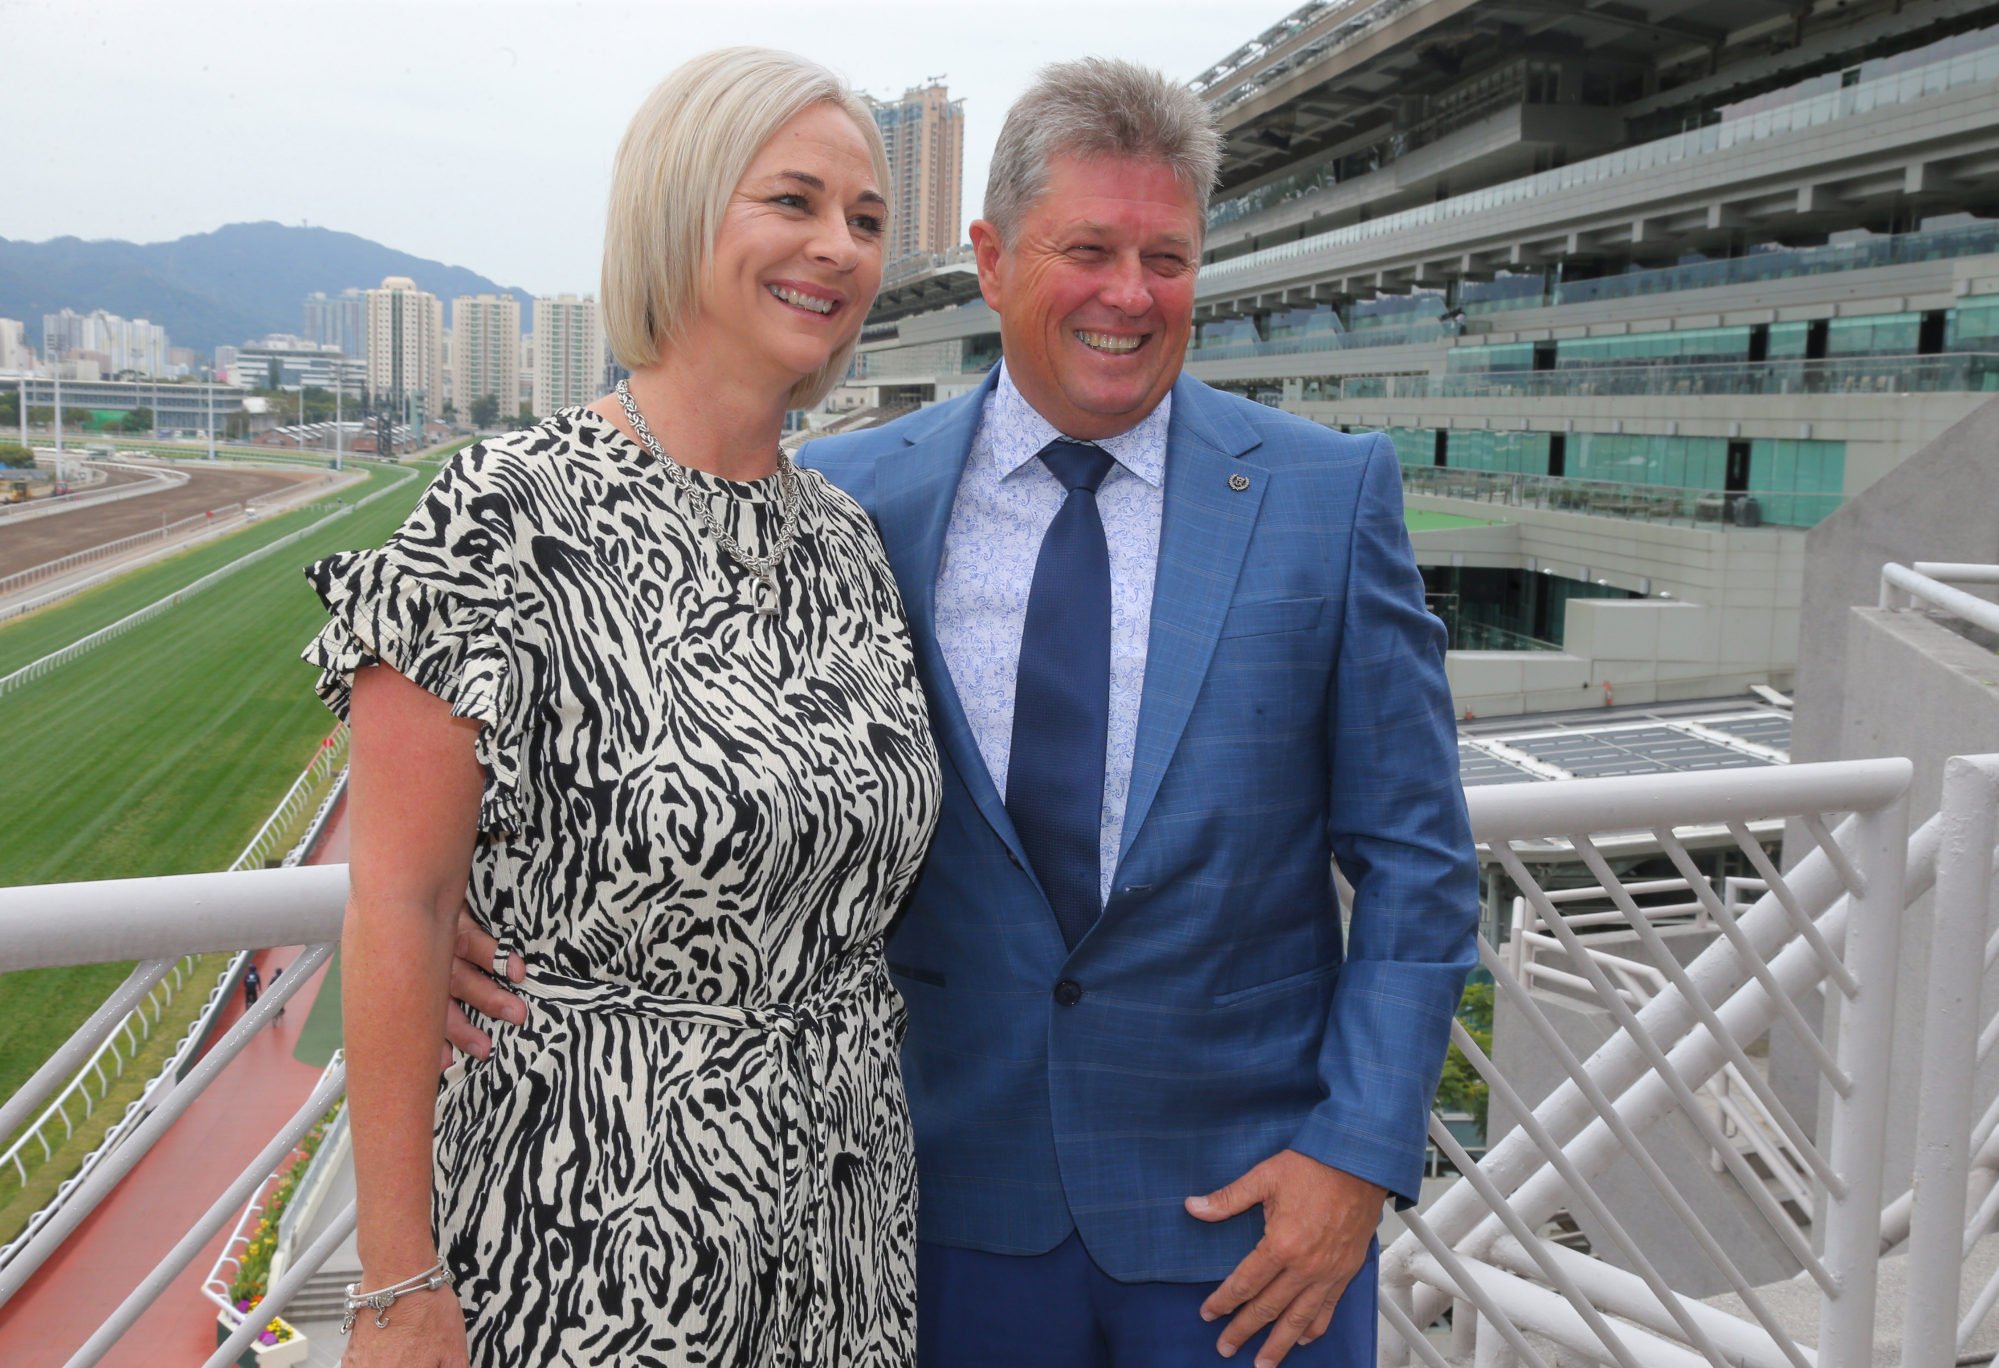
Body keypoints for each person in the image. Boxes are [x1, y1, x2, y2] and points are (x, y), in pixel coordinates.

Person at [455, 54, 1477, 1368]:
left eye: (1166, 257)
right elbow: (697, 759)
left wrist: (1356, 1154)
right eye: (1088, 249)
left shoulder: (1330, 497)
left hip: (1255, 1230)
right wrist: (446, 918)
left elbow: (1420, 863)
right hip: (934, 1223)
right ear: (991, 259)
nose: (1129, 293)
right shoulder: (849, 501)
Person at [305, 48, 940, 1366]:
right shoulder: (505, 514)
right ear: (682, 209)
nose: (839, 248)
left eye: (867, 221)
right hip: (590, 1224)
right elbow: (400, 906)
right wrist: (395, 1280)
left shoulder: (849, 545)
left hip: (840, 1223)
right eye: (794, 202)